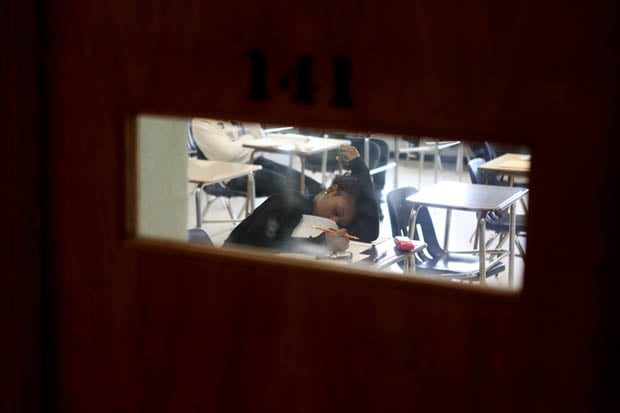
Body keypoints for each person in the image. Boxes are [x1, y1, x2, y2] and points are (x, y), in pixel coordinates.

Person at [223, 145, 380, 254]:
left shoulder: (321, 220)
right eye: (336, 211)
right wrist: (321, 243)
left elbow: (369, 234)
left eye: (340, 222)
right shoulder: (289, 202)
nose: (333, 220)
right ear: (331, 190)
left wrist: (362, 171)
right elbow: (256, 246)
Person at [190, 118, 323, 197]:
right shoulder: (202, 122)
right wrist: (249, 139)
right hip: (229, 174)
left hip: (255, 161)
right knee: (296, 189)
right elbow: (227, 154)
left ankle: (312, 227)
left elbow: (260, 137)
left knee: (314, 186)